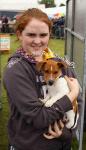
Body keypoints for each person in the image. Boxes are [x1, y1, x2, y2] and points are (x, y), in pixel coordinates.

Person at [3, 8, 81, 150]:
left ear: (50, 34)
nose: (37, 41)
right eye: (31, 34)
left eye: (43, 35)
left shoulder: (60, 62)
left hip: (61, 145)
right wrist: (72, 94)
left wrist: (66, 133)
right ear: (20, 34)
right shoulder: (15, 69)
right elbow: (39, 118)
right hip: (30, 145)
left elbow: (79, 103)